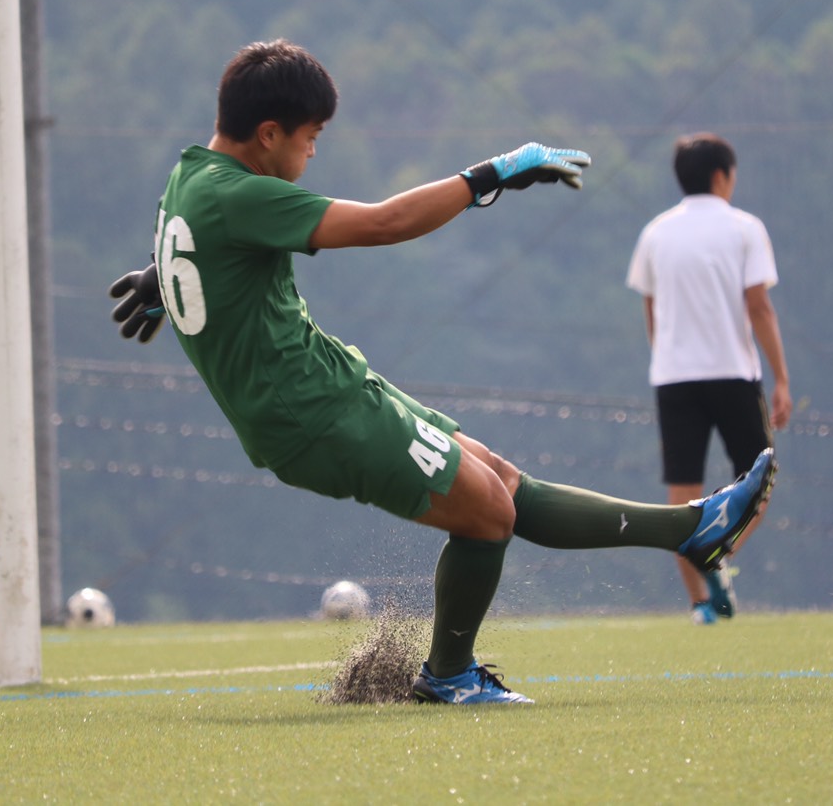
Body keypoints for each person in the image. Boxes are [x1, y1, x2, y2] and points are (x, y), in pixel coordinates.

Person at [108, 40, 776, 704]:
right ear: (268, 134)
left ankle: (692, 529)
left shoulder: (191, 176)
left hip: (330, 385)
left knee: (500, 480)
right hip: (313, 413)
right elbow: (384, 223)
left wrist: (161, 275)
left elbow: (200, 240)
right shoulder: (242, 194)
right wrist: (490, 175)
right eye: (311, 138)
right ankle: (450, 675)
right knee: (487, 512)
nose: (313, 153)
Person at [626, 132, 792, 626]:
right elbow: (759, 307)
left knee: (682, 495)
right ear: (722, 176)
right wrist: (782, 379)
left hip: (674, 378)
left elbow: (651, 309)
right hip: (733, 373)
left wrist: (666, 360)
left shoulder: (655, 233)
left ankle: (700, 603)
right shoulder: (744, 228)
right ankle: (717, 555)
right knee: (759, 482)